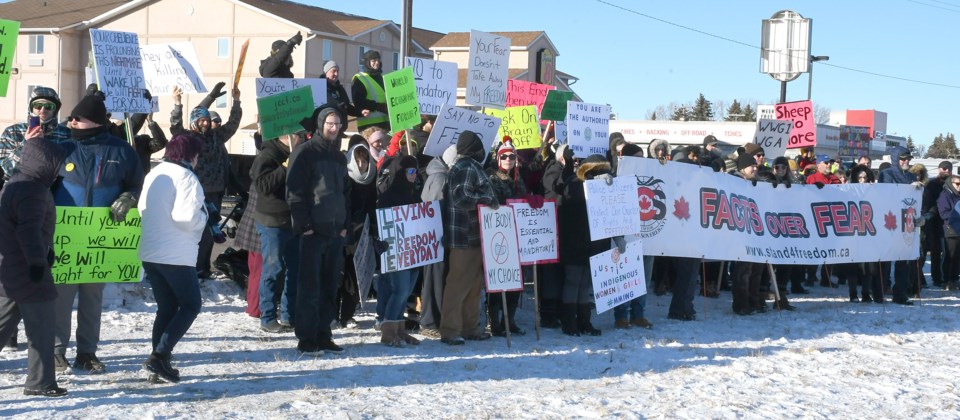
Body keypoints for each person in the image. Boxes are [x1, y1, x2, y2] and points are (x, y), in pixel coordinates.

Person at [52, 93, 144, 374]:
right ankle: (56, 350)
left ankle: (87, 352)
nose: (72, 121)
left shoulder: (121, 150)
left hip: (100, 241)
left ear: (91, 121)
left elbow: (137, 183)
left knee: (92, 300)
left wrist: (129, 197)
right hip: (66, 238)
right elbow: (41, 184)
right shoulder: (62, 148)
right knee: (61, 299)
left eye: (77, 118)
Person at [0, 131, 68, 397]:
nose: (58, 170)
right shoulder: (33, 190)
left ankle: (41, 380)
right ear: (45, 162)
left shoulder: (16, 182)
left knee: (3, 322)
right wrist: (39, 263)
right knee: (42, 327)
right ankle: (40, 382)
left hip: (10, 267)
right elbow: (28, 231)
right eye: (55, 164)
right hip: (28, 270)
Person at [138, 134, 206, 383]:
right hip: (175, 253)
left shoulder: (154, 173)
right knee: (190, 305)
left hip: (151, 250)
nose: (198, 159)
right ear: (190, 155)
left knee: (166, 308)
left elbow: (141, 207)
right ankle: (159, 356)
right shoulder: (187, 177)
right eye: (197, 154)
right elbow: (186, 217)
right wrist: (205, 218)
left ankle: (159, 363)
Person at [286, 105, 350, 355]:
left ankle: (324, 333)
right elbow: (294, 193)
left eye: (337, 124)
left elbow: (345, 193)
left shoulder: (338, 157)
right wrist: (305, 226)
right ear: (321, 124)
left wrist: (345, 225)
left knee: (329, 286)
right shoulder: (305, 153)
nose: (334, 128)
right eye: (330, 123)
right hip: (313, 232)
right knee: (309, 286)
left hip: (335, 231)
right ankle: (306, 337)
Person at [170, 84, 243, 278]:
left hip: (215, 190)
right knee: (193, 231)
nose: (205, 123)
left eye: (207, 120)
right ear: (194, 122)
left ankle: (203, 267)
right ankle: (190, 266)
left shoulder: (216, 136)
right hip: (194, 191)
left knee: (211, 230)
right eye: (201, 120)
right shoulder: (187, 138)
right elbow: (175, 127)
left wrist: (236, 102)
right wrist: (177, 104)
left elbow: (233, 124)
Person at [439, 130, 498, 345]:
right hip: (463, 236)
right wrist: (485, 200)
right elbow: (461, 196)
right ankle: (450, 330)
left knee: (474, 286)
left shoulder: (468, 166)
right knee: (457, 285)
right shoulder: (465, 167)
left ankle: (470, 327)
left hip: (473, 235)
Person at [251, 131, 306, 333]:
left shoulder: (299, 152)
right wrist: (285, 166)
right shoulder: (268, 154)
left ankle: (288, 315)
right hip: (272, 220)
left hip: (293, 220)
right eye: (296, 134)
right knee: (273, 269)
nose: (299, 137)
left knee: (294, 269)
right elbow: (263, 186)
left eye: (300, 134)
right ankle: (267, 316)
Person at [375, 155, 423, 347]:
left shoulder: (414, 195)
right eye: (410, 171)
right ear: (400, 172)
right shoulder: (388, 196)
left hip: (414, 251)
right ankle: (388, 331)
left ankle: (400, 330)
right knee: (400, 289)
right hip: (396, 251)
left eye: (416, 171)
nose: (414, 175)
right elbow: (380, 223)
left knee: (408, 289)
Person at [486, 140, 527, 336]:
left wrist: (529, 202)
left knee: (516, 279)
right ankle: (494, 322)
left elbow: (525, 198)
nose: (508, 159)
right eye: (504, 156)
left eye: (512, 156)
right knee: (498, 279)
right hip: (499, 233)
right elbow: (491, 202)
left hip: (518, 234)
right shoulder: (492, 178)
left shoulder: (519, 178)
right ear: (497, 158)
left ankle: (509, 321)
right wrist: (509, 204)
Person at [612, 143, 654, 329]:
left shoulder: (649, 178)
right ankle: (621, 314)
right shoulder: (617, 180)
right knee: (625, 277)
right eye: (636, 157)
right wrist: (617, 236)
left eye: (641, 157)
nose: (640, 162)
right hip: (627, 237)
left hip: (648, 236)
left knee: (643, 278)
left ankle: (639, 313)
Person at [418, 145, 458, 337]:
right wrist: (442, 234)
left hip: (438, 235)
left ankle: (434, 320)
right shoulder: (440, 178)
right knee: (434, 279)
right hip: (436, 237)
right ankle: (429, 322)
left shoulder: (441, 175)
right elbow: (434, 209)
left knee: (437, 279)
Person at [339, 136, 377, 329]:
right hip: (344, 232)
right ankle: (332, 314)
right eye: (358, 160)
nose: (361, 165)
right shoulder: (344, 176)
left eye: (364, 160)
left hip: (362, 233)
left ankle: (347, 314)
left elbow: (372, 205)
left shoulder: (372, 177)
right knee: (339, 275)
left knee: (356, 277)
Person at [878, 146, 923, 305]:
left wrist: (918, 190)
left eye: (908, 159)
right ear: (896, 158)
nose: (906, 161)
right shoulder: (886, 174)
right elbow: (887, 195)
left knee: (904, 260)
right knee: (885, 260)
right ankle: (880, 292)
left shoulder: (911, 175)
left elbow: (915, 201)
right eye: (903, 158)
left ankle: (900, 294)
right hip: (889, 221)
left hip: (906, 223)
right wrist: (908, 189)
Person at [0, 86, 71, 182]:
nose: (42, 110)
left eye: (49, 106)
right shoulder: (13, 132)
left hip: (52, 193)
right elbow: (4, 171)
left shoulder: (66, 134)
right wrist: (27, 144)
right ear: (31, 108)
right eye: (38, 105)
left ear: (55, 110)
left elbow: (69, 171)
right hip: (18, 190)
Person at [730, 151, 766, 316]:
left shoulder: (758, 183)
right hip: (741, 233)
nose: (755, 168)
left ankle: (754, 300)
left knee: (757, 269)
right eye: (752, 166)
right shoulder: (734, 182)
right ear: (743, 168)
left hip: (757, 232)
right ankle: (741, 303)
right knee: (743, 270)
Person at [923, 161, 953, 288]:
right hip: (934, 223)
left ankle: (948, 277)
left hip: (950, 224)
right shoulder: (931, 184)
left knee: (948, 253)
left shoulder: (954, 183)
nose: (946, 171)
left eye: (949, 169)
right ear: (938, 169)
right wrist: (932, 213)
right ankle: (936, 277)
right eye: (944, 168)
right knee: (936, 251)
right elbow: (928, 203)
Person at [352, 50, 389, 132]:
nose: (376, 62)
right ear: (367, 62)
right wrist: (378, 106)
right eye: (373, 61)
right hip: (368, 125)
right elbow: (358, 102)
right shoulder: (359, 78)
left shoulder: (383, 78)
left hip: (385, 123)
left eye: (378, 60)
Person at [939, 175, 960, 291]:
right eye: (957, 184)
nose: (959, 186)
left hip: (959, 230)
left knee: (957, 257)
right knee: (949, 256)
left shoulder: (958, 196)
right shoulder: (945, 195)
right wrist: (957, 213)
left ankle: (955, 279)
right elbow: (943, 213)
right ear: (951, 184)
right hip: (950, 230)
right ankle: (947, 280)